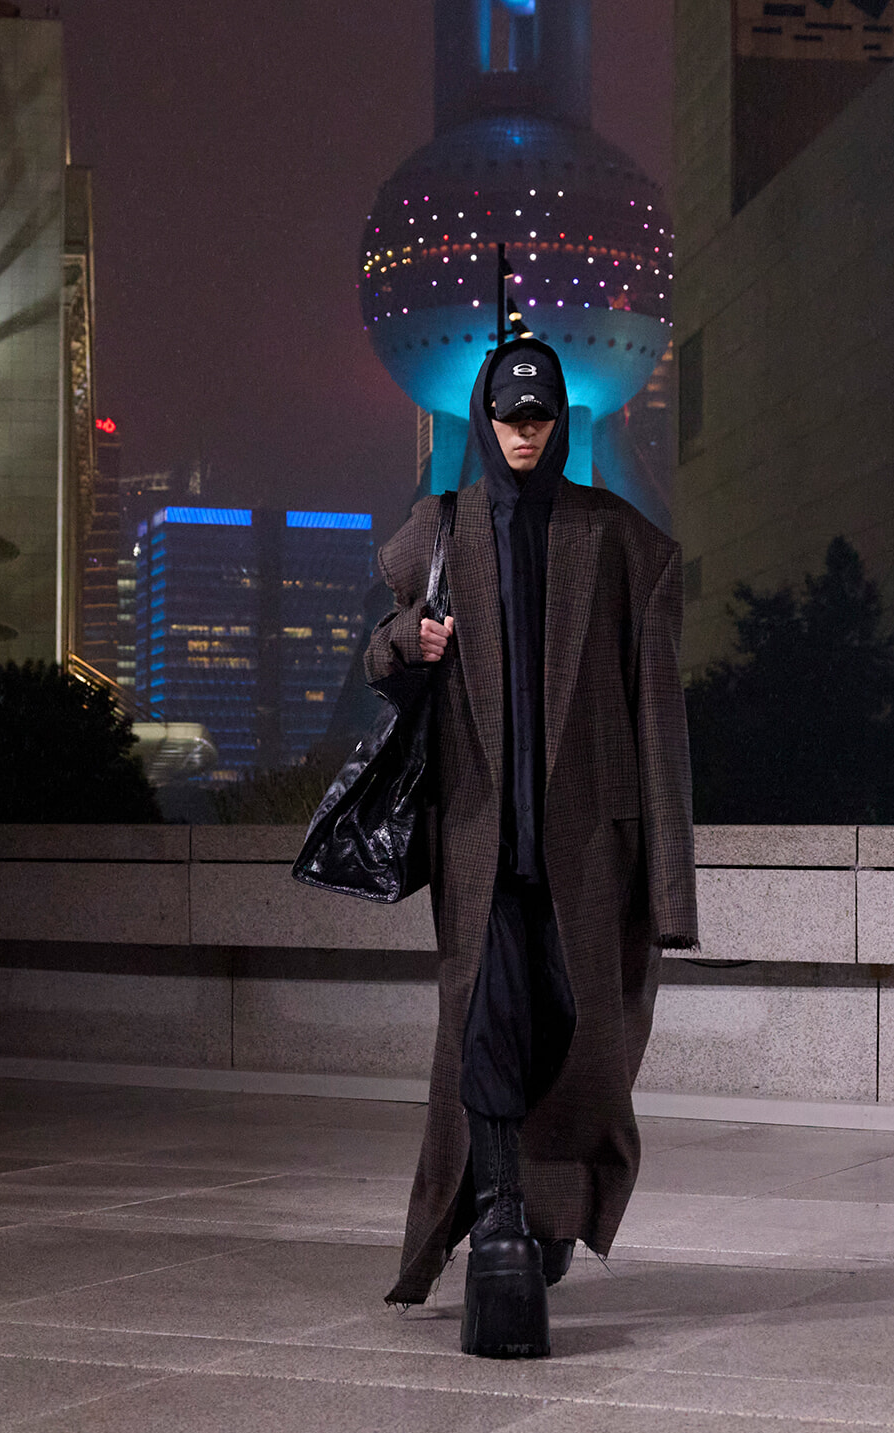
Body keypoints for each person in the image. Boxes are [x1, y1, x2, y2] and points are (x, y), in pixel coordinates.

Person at [364, 337, 697, 1358]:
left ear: (560, 420)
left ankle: (547, 1216)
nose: (523, 433)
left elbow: (658, 725)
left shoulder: (627, 546)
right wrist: (406, 644)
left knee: (580, 1040)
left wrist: (671, 892)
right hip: (477, 847)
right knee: (487, 1025)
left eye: (539, 417)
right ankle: (503, 1217)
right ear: (483, 418)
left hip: (589, 857)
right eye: (508, 417)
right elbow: (380, 658)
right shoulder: (436, 531)